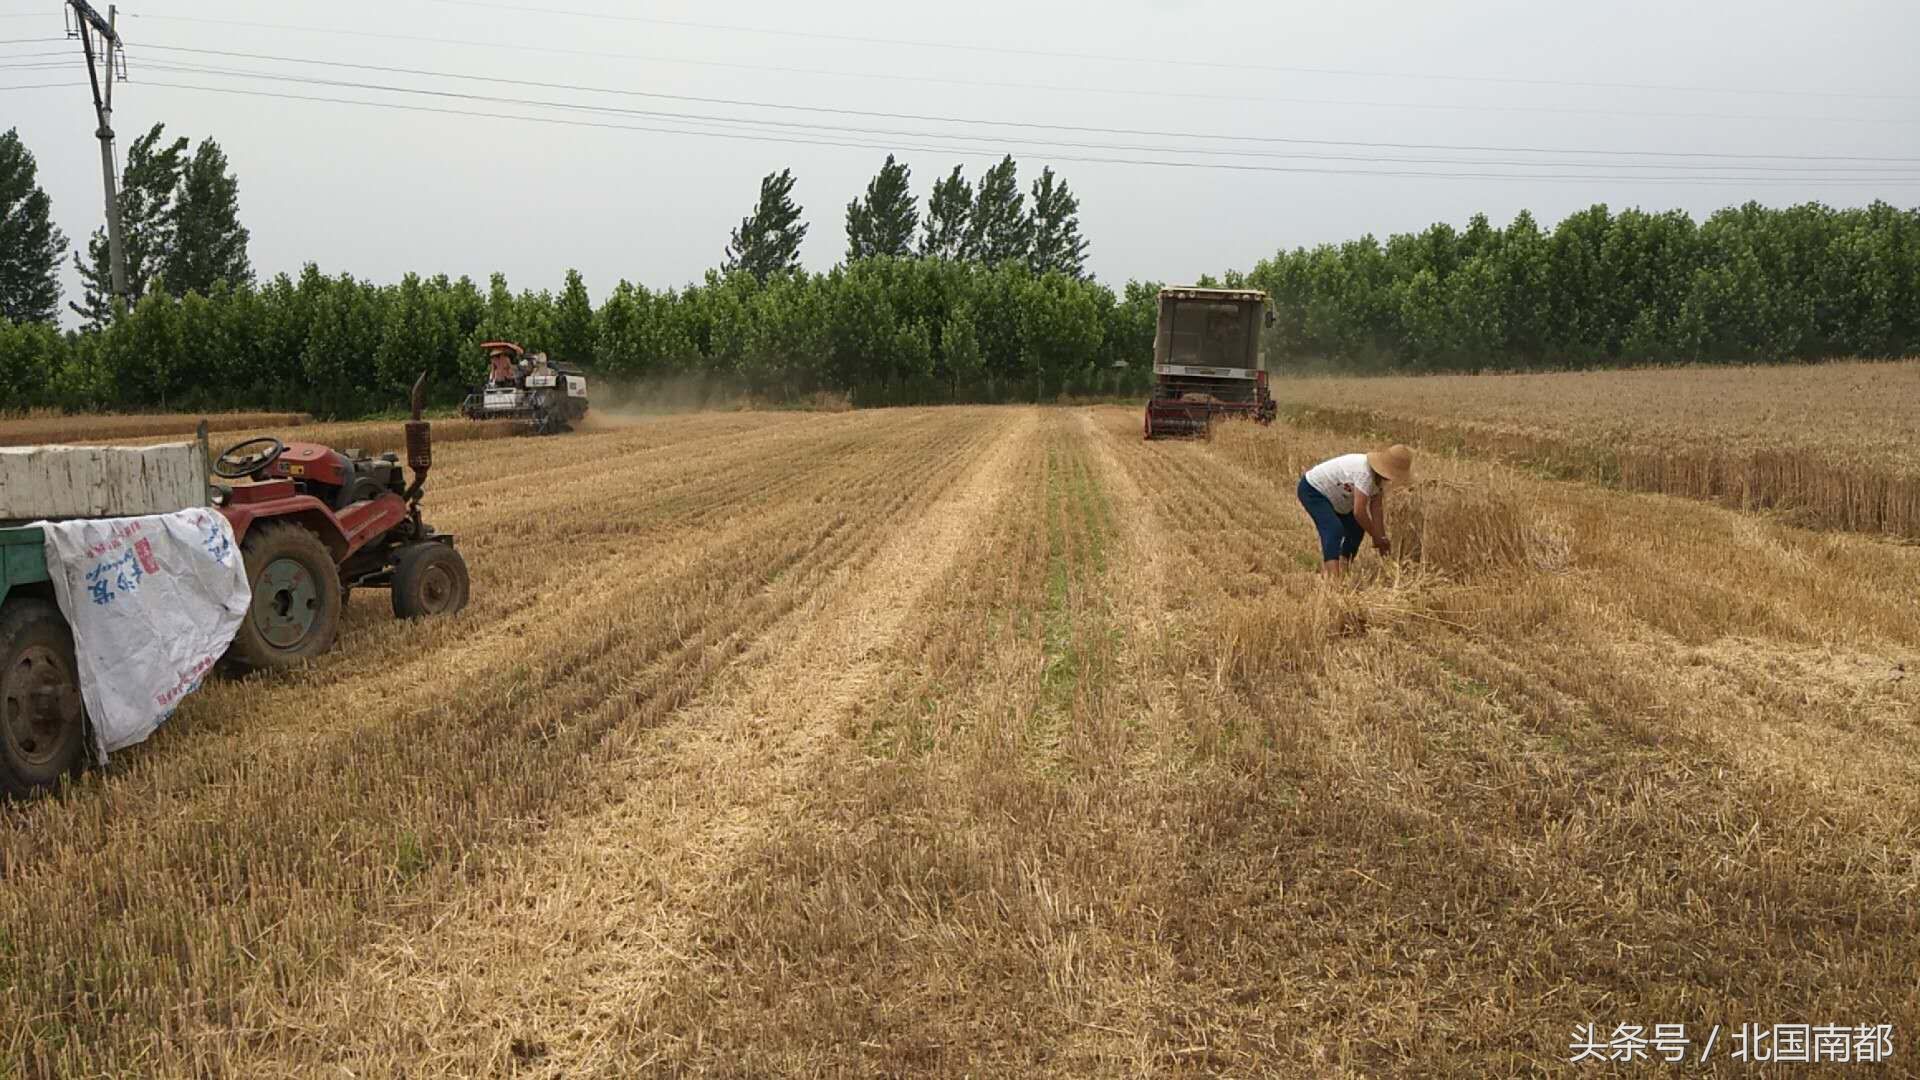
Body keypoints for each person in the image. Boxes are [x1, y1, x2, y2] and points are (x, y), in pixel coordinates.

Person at [1297, 444, 1413, 577]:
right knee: (1333, 529)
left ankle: (1344, 566)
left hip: (1337, 496)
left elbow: (1376, 509)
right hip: (1313, 490)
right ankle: (1333, 578)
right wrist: (1375, 536)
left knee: (1356, 528)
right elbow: (1359, 512)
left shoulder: (1379, 478)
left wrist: (1381, 538)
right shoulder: (1365, 474)